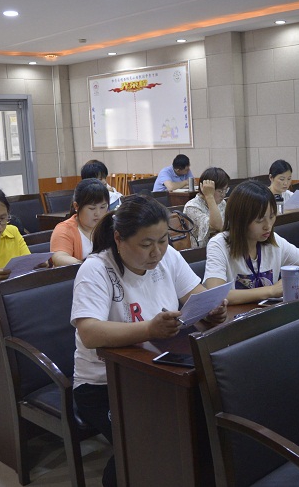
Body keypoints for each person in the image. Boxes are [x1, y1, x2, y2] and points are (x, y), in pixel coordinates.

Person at [71, 195, 227, 487]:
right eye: (146, 244)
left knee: (204, 422)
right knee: (151, 440)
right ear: (119, 239)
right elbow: (89, 332)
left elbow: (196, 296)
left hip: (161, 372)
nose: (157, 252)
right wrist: (149, 329)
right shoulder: (97, 269)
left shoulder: (169, 257)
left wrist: (212, 310)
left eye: (163, 240)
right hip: (105, 383)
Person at [203, 180, 299, 305]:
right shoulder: (219, 244)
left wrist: (291, 281)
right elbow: (215, 294)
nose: (268, 226)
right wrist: (271, 290)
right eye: (259, 220)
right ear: (240, 220)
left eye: (272, 217)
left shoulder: (274, 241)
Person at [50, 178, 110, 267]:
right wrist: (87, 266)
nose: (98, 213)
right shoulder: (65, 229)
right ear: (76, 206)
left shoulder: (110, 226)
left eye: (103, 207)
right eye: (92, 208)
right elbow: (59, 257)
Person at [183, 167, 230, 248]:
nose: (223, 195)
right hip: (201, 251)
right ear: (205, 189)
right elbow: (217, 226)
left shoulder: (222, 203)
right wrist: (209, 196)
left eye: (226, 190)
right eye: (220, 191)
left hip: (221, 245)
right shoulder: (192, 207)